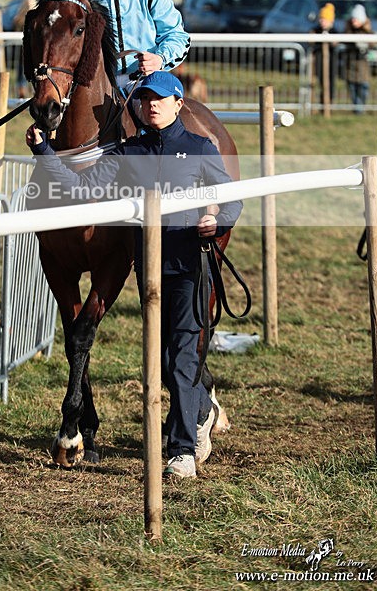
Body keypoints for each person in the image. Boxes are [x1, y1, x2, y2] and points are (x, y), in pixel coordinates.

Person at [26, 71, 242, 478]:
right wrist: (45, 153)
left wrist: (218, 221)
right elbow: (81, 188)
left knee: (181, 356)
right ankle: (200, 412)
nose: (151, 105)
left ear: (178, 103)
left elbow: (231, 197)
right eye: (145, 99)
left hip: (191, 266)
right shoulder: (129, 153)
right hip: (151, 269)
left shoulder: (199, 147)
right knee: (163, 358)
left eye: (159, 99)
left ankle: (180, 450)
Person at [343, 4, 373, 114]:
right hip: (350, 65)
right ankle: (357, 109)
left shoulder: (368, 32)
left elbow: (374, 42)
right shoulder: (348, 30)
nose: (354, 21)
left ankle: (361, 108)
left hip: (362, 66)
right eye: (353, 18)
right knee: (352, 88)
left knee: (363, 87)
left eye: (356, 19)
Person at [311, 3, 337, 104]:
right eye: (321, 19)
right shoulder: (316, 30)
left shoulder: (334, 31)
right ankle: (320, 102)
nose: (322, 22)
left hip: (331, 61)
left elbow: (335, 43)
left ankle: (329, 101)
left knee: (330, 82)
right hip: (318, 59)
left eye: (324, 19)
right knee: (319, 80)